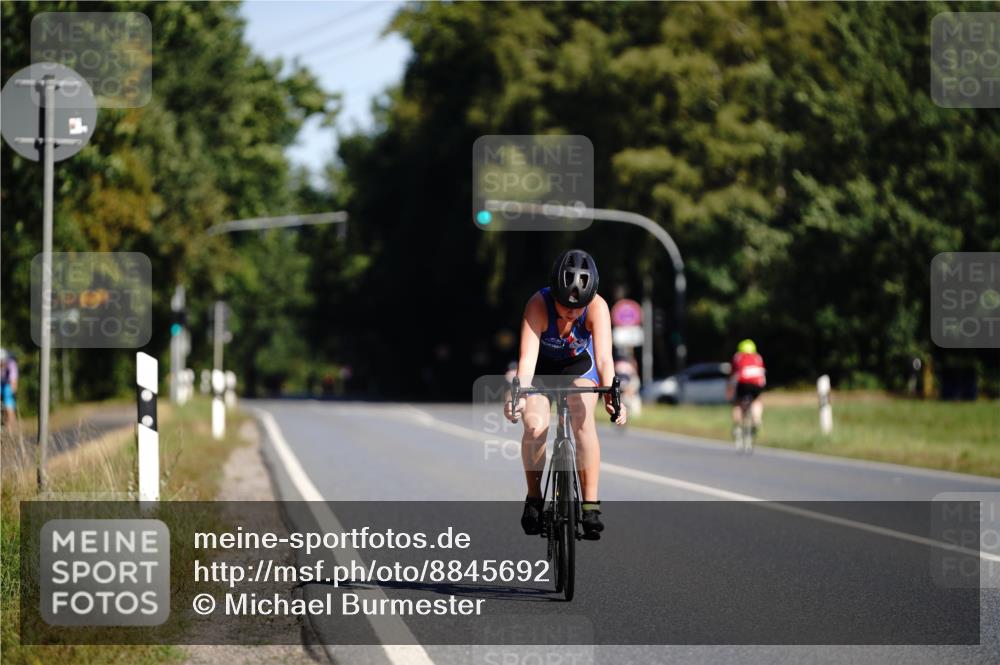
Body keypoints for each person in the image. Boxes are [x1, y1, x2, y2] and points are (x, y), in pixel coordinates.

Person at [504, 249, 627, 540]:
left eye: (578, 306)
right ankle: (534, 498)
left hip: (578, 368)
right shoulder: (537, 304)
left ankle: (590, 505)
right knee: (535, 427)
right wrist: (518, 396)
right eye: (564, 305)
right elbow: (526, 361)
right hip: (542, 370)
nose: (572, 312)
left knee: (583, 420)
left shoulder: (598, 306)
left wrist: (613, 396)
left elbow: (605, 359)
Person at [728, 339, 766, 435]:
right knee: (757, 401)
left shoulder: (738, 356)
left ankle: (737, 426)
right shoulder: (758, 357)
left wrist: (729, 388)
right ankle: (756, 420)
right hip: (757, 384)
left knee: (737, 403)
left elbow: (732, 374)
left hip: (743, 383)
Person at [1, 348, 19, 428]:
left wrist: (12, 393)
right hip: (1, 383)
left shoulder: (11, 364)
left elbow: (13, 381)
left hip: (8, 384)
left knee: (8, 404)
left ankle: (12, 428)